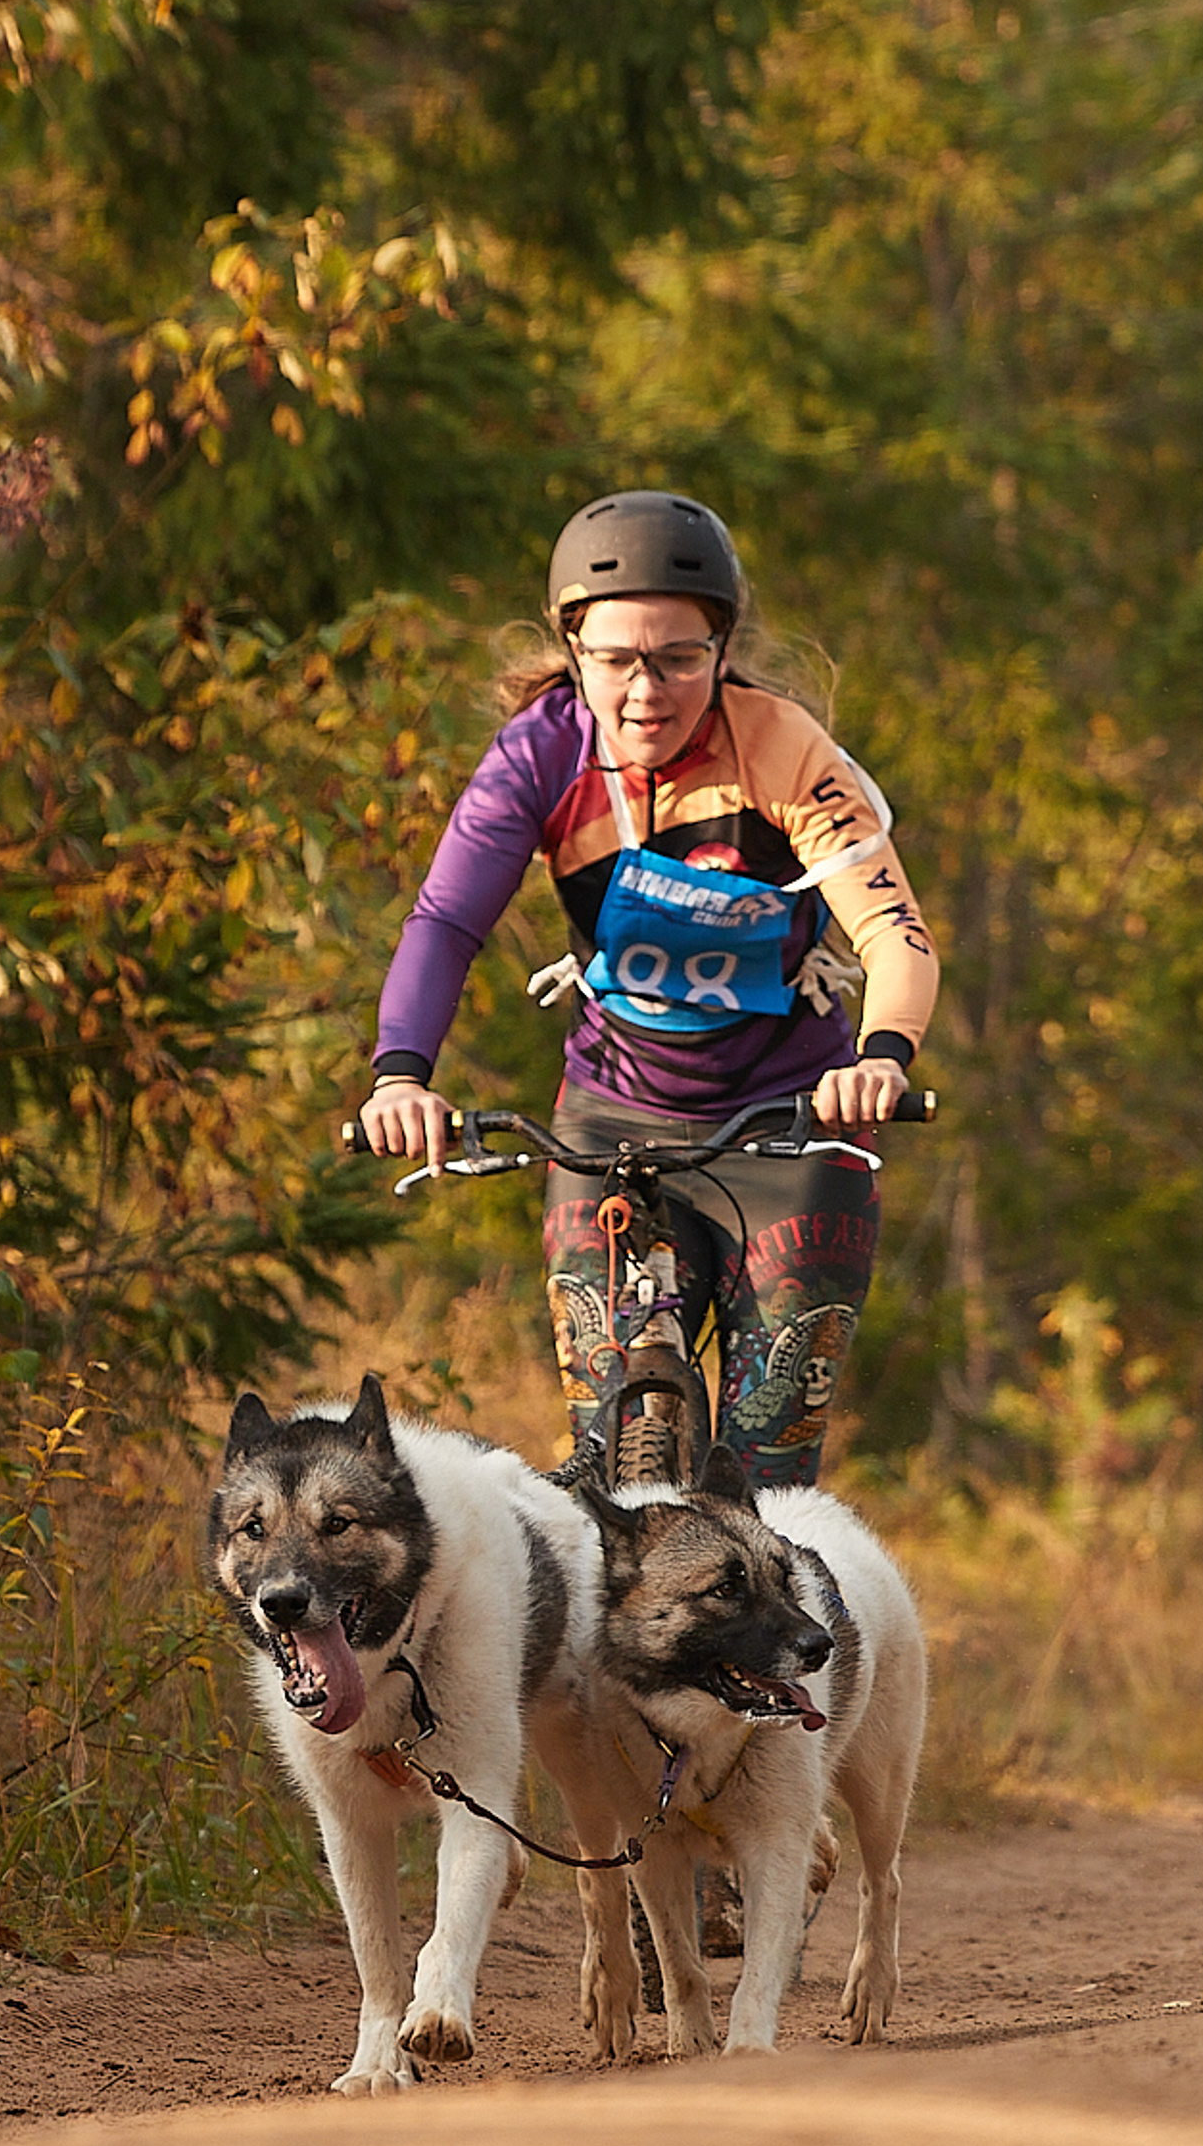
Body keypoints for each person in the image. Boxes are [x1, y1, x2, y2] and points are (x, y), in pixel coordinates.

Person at [359, 490, 939, 1483]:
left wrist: (879, 1060)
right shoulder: (541, 753)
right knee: (604, 1472)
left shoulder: (785, 748)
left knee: (765, 1469)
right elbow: (447, 923)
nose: (645, 691)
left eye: (677, 658)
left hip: (791, 1125)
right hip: (610, 1120)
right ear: (574, 651)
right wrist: (399, 1076)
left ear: (721, 650)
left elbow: (893, 932)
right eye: (617, 660)